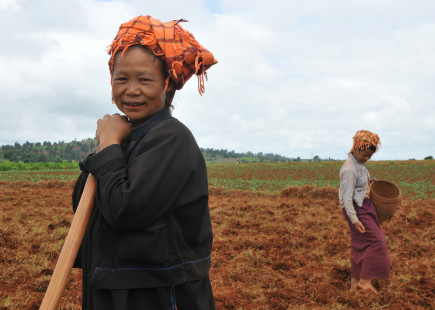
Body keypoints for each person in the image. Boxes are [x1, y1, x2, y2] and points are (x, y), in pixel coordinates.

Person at [72, 15, 217, 309]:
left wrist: (109, 145)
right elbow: (84, 206)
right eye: (121, 79)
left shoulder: (171, 138)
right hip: (113, 284)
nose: (131, 89)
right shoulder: (126, 136)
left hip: (158, 292)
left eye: (145, 79)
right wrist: (107, 147)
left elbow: (125, 209)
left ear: (167, 85)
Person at [339, 130, 390, 294]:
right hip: (357, 210)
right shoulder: (349, 169)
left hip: (363, 207)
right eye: (364, 155)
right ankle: (365, 281)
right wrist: (355, 220)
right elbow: (347, 198)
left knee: (359, 245)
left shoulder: (359, 164)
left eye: (369, 156)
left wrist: (368, 181)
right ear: (356, 147)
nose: (366, 158)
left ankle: (354, 286)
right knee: (377, 242)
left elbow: (358, 183)